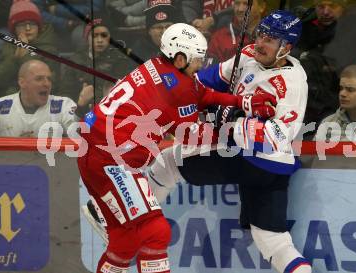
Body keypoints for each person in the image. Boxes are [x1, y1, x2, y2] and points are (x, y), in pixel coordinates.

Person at [77, 22, 277, 273]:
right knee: (155, 231)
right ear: (180, 58)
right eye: (197, 59)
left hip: (94, 153)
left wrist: (243, 102)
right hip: (112, 160)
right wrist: (240, 133)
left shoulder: (162, 68)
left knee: (124, 240)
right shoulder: (179, 86)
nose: (201, 65)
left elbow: (202, 95)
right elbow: (191, 136)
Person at [147, 10, 312, 273]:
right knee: (273, 240)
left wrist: (229, 122)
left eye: (270, 40)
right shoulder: (247, 55)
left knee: (168, 161)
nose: (260, 43)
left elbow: (278, 137)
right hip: (268, 170)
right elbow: (205, 80)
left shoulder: (293, 84)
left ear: (286, 47)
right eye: (261, 34)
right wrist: (183, 90)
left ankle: (131, 222)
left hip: (258, 159)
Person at [0, 60, 77, 137]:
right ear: (22, 82)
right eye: (39, 79)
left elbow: (82, 133)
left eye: (49, 79)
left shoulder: (64, 105)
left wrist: (84, 110)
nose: (47, 84)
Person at [58, 17, 130, 118]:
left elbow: (126, 93)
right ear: (87, 37)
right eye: (94, 36)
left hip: (112, 113)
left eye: (104, 35)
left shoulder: (120, 60)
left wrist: (95, 95)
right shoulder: (75, 61)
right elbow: (66, 94)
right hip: (80, 113)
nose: (100, 40)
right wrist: (80, 102)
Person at [0, 0, 58, 99]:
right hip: (9, 102)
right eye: (22, 24)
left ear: (39, 27)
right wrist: (14, 60)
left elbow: (53, 84)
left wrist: (24, 56)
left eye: (32, 24)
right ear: (14, 29)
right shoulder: (7, 48)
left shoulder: (49, 50)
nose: (28, 28)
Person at [126, 1, 181, 72]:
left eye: (168, 26)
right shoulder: (138, 50)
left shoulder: (184, 45)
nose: (164, 32)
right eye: (159, 27)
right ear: (149, 31)